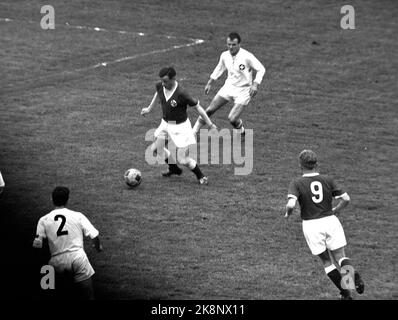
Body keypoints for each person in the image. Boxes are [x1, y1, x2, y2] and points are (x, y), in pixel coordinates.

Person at [284, 150, 365, 300]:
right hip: (330, 221)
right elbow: (346, 198)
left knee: (327, 261)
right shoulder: (327, 179)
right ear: (317, 164)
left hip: (312, 226)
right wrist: (336, 210)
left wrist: (288, 213)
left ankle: (346, 294)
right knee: (341, 257)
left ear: (300, 165)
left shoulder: (296, 183)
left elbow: (291, 204)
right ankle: (353, 279)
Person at [141, 66, 216, 185]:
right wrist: (149, 108)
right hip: (165, 123)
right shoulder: (160, 85)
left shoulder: (181, 93)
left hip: (181, 127)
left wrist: (210, 124)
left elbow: (198, 108)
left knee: (183, 159)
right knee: (156, 149)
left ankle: (201, 176)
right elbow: (158, 93)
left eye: (165, 81)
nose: (163, 83)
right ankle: (173, 168)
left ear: (173, 78)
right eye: (161, 80)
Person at [32, 186, 103, 299]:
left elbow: (37, 246)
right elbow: (94, 235)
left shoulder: (43, 220)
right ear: (67, 200)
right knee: (89, 295)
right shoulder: (78, 215)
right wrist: (98, 247)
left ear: (52, 199)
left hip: (55, 262)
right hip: (78, 257)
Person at [193, 32, 265, 136]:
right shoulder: (224, 55)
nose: (231, 47)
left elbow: (261, 69)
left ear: (239, 44)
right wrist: (210, 82)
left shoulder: (247, 56)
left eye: (233, 45)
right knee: (209, 110)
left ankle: (241, 131)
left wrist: (255, 84)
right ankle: (193, 132)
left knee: (232, 118)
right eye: (229, 44)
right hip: (229, 87)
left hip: (244, 90)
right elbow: (219, 68)